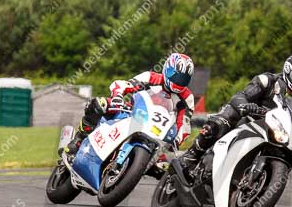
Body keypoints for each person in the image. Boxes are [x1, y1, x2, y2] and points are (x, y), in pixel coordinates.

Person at [179, 52, 292, 174]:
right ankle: (191, 156)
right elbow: (241, 95)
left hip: (271, 135)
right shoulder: (268, 80)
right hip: (247, 119)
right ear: (290, 71)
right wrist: (247, 106)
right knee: (222, 121)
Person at [64, 53, 195, 155]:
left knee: (167, 166)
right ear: (167, 69)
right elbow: (123, 85)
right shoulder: (151, 77)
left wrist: (176, 141)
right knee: (100, 104)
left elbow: (184, 124)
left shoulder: (187, 97)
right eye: (176, 76)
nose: (179, 81)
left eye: (183, 78)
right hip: (131, 112)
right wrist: (117, 97)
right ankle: (79, 138)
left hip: (158, 131)